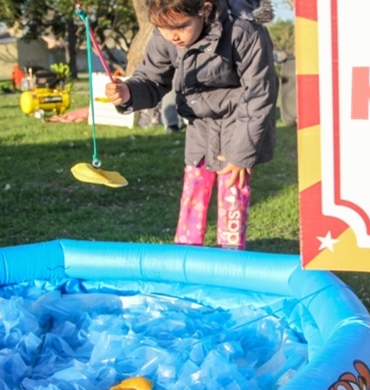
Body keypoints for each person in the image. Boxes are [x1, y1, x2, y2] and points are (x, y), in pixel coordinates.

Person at [105, 0, 277, 250]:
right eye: (162, 27)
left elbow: (259, 96)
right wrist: (128, 92)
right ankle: (185, 256)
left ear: (205, 9)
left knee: (232, 195)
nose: (171, 36)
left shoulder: (244, 32)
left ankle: (229, 261)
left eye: (181, 26)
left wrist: (241, 154)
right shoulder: (165, 33)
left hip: (240, 123)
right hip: (200, 124)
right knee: (193, 193)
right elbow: (152, 79)